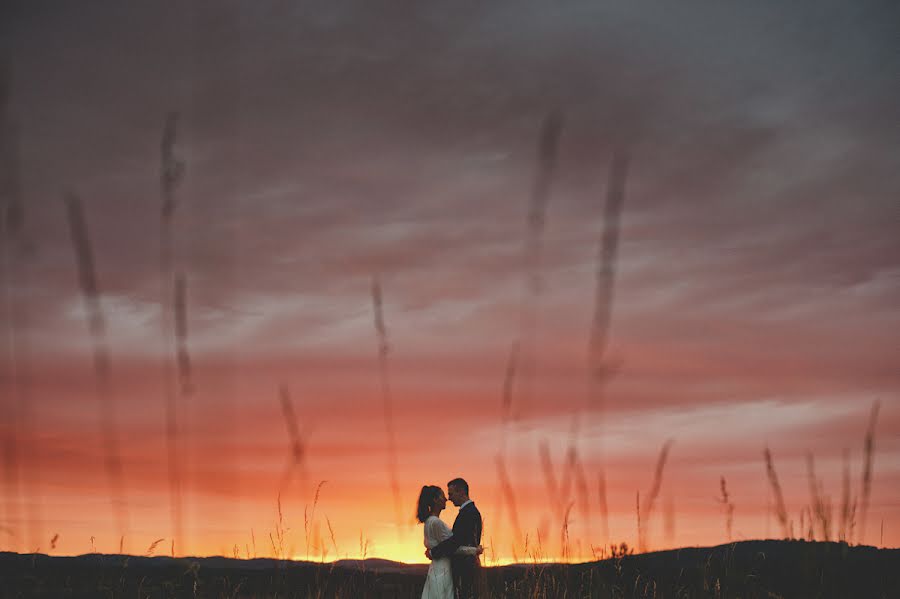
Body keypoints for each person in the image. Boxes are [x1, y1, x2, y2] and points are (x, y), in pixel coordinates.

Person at [417, 485, 483, 599]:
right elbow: (454, 546)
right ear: (435, 500)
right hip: (443, 569)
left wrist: (432, 552)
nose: (447, 499)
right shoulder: (436, 523)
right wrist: (474, 550)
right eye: (443, 496)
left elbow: (449, 544)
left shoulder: (429, 522)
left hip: (436, 568)